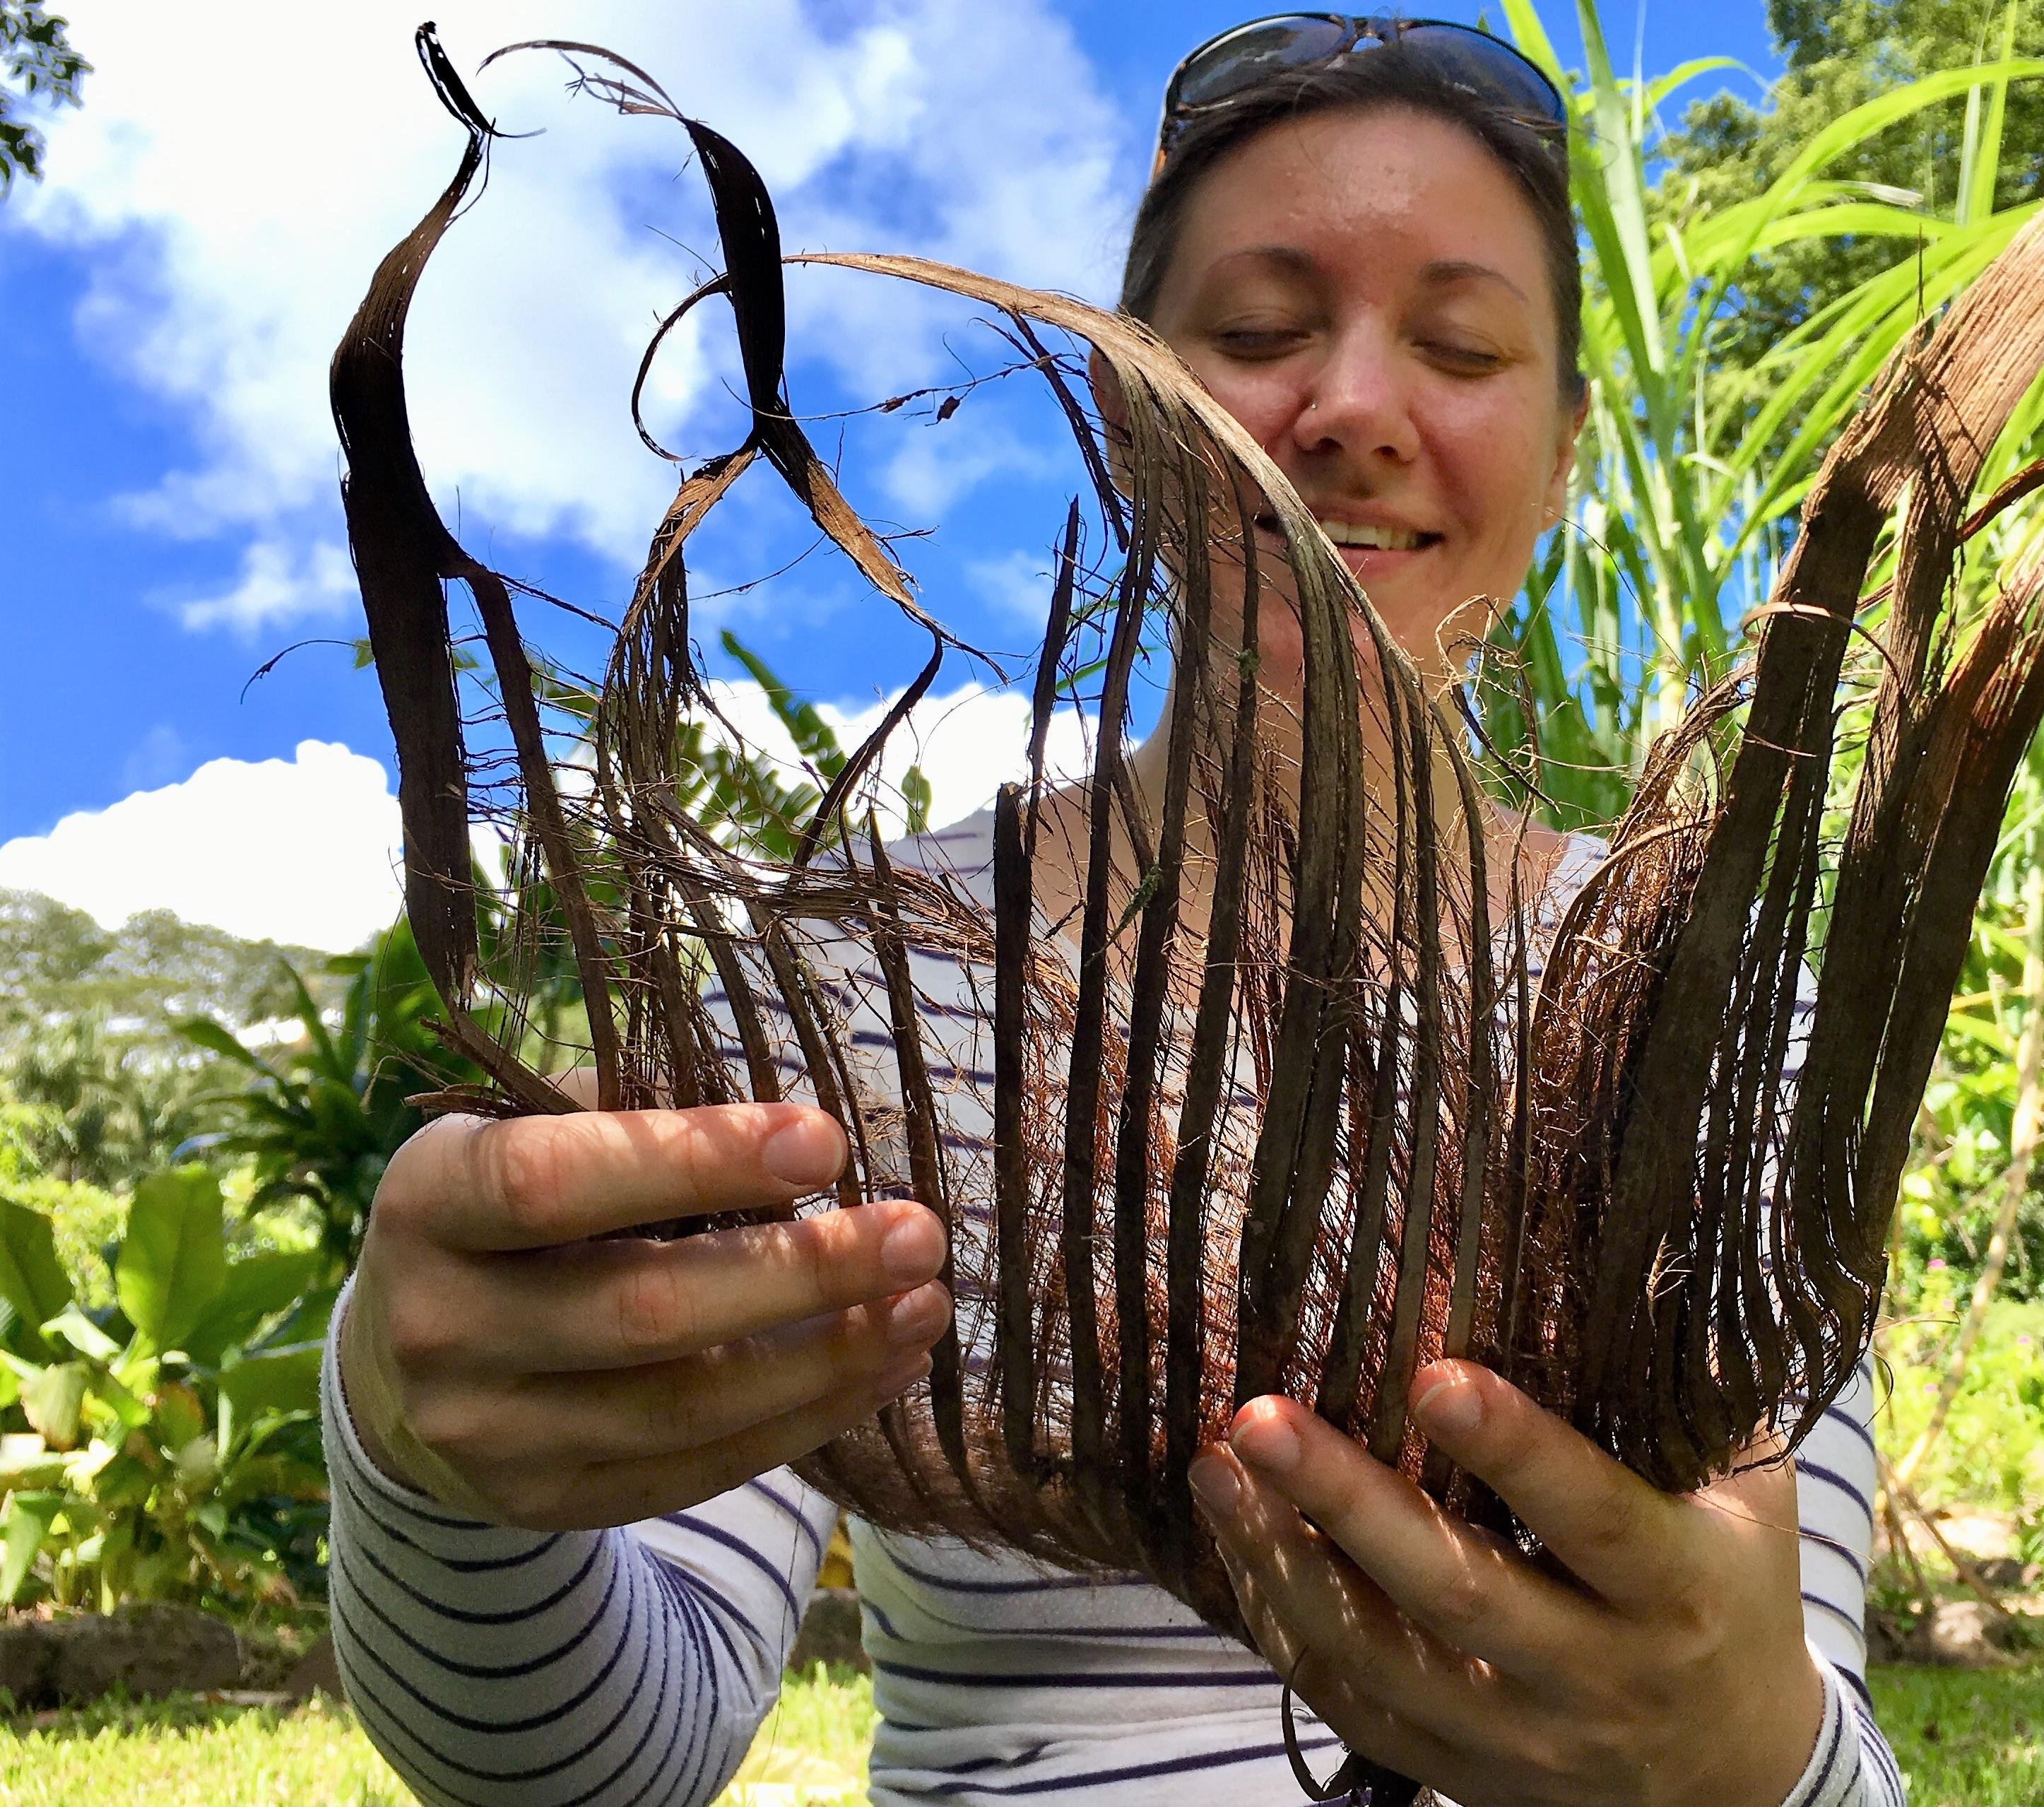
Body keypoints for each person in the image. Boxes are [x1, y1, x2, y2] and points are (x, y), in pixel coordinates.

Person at [322, 16, 1906, 1806]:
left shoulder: (1698, 1016)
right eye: (1254, 334)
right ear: (1132, 404)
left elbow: (1804, 1707)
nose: (1352, 414)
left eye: (1460, 346)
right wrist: (421, 1465)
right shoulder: (865, 978)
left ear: (1565, 451)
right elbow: (603, 1762)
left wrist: (1746, 1757)